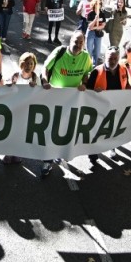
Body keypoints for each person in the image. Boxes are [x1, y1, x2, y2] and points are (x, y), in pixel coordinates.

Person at [40, 31, 93, 177]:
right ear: (70, 41)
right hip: (55, 98)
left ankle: (57, 153)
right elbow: (45, 68)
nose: (78, 45)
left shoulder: (86, 57)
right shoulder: (60, 52)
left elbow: (87, 73)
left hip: (72, 100)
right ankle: (47, 161)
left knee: (64, 130)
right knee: (52, 130)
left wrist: (84, 83)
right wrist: (45, 81)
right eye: (76, 41)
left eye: (81, 42)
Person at [85, 0, 107, 66]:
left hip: (98, 33)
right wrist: (95, 19)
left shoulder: (102, 14)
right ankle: (88, 66)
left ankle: (95, 66)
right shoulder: (91, 14)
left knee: (97, 52)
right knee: (89, 51)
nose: (98, 5)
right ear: (94, 5)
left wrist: (95, 28)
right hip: (90, 33)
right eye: (97, 4)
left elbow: (103, 25)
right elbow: (89, 26)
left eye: (100, 4)